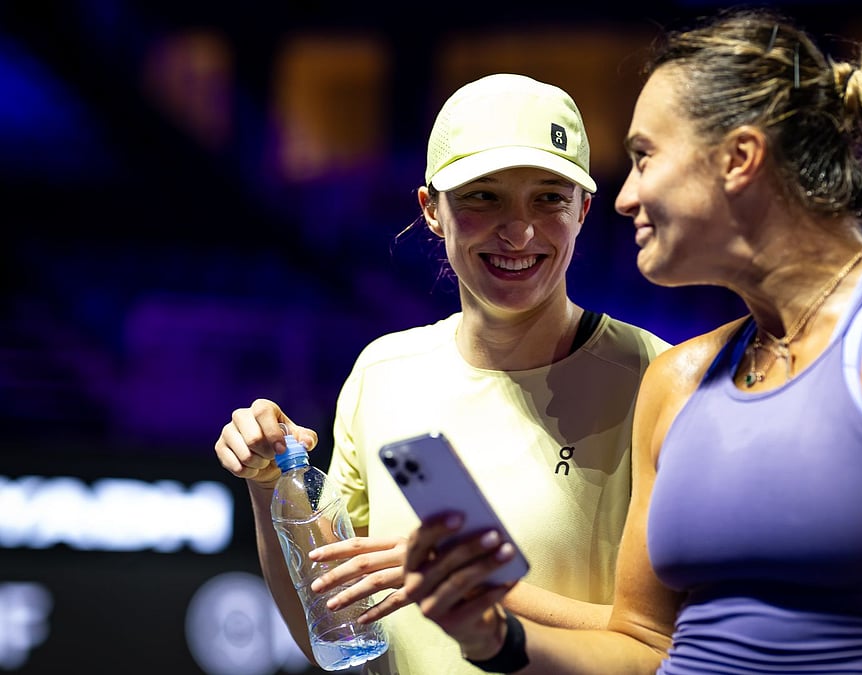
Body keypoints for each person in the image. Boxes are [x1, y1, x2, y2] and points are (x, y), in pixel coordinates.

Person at [393, 7, 862, 674]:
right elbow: (643, 644)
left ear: (739, 158)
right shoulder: (676, 380)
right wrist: (493, 633)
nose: (624, 197)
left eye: (645, 157)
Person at [213, 72, 672, 674]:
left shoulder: (657, 378)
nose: (519, 231)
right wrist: (271, 483)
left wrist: (472, 588)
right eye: (483, 196)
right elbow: (335, 636)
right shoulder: (381, 374)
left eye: (549, 198)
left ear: (583, 210)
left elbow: (675, 643)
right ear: (431, 210)